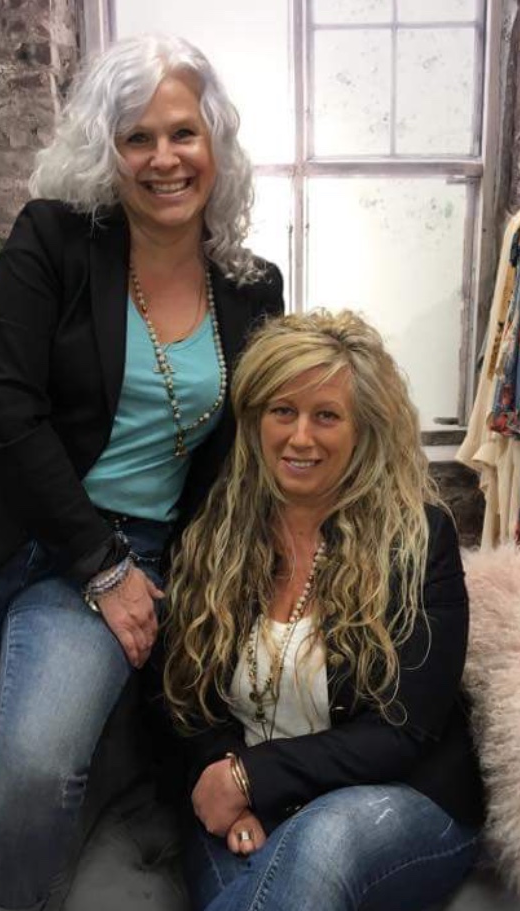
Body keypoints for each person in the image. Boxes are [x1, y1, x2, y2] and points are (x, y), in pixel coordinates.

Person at [0, 35, 283, 911]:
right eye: (138, 137)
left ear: (215, 142)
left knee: (38, 772)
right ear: (108, 149)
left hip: (119, 558)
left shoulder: (252, 290)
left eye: (183, 133)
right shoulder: (54, 239)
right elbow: (3, 405)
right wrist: (98, 562)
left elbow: (240, 457)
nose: (164, 158)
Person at [161, 311, 485, 911]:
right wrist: (222, 772)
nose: (300, 437)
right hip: (241, 797)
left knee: (319, 842)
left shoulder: (417, 540)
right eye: (283, 411)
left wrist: (253, 778)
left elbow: (404, 727)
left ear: (363, 429)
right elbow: (185, 696)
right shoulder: (215, 534)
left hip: (395, 796)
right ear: (255, 421)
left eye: (327, 416)